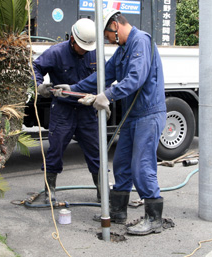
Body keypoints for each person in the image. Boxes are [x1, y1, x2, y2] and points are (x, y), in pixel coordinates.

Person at [55, 9, 167, 236]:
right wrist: (72, 89)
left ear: (116, 25)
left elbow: (136, 78)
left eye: (106, 34)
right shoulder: (123, 50)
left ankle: (154, 219)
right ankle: (118, 212)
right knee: (122, 163)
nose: (107, 39)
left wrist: (107, 96)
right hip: (132, 115)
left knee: (141, 166)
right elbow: (102, 76)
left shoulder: (141, 41)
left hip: (148, 114)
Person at [33, 18, 101, 204]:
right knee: (55, 150)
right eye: (82, 47)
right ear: (73, 39)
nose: (86, 50)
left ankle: (102, 191)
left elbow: (105, 76)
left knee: (95, 152)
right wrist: (39, 86)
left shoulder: (95, 53)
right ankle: (50, 191)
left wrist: (104, 99)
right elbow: (36, 66)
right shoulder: (56, 53)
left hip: (86, 110)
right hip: (63, 110)